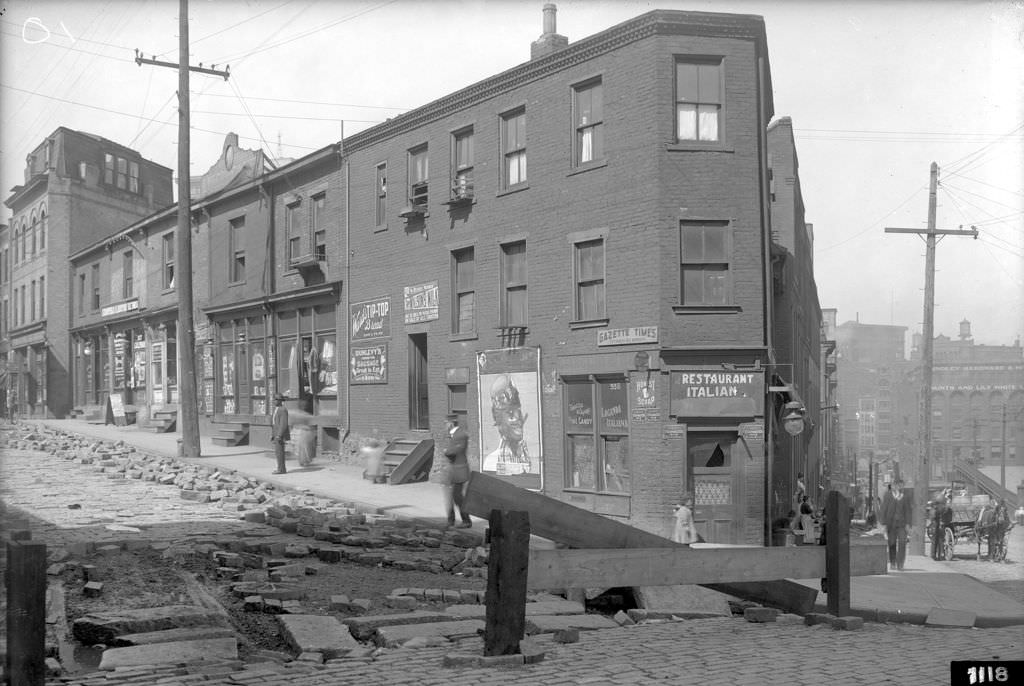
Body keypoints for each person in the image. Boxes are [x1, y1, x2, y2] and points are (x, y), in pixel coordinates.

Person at [443, 413, 473, 528]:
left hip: (459, 471)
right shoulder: (451, 434)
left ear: (451, 423)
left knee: (457, 497)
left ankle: (466, 520)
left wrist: (447, 450)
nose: (445, 426)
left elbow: (452, 451)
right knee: (449, 498)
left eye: (446, 423)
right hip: (451, 472)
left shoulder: (460, 435)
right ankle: (451, 521)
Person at [879, 478, 913, 570]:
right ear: (893, 486)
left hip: (902, 524)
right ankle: (893, 562)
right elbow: (883, 509)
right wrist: (883, 523)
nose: (899, 487)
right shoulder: (888, 495)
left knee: (902, 542)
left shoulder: (906, 496)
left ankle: (900, 563)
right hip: (891, 524)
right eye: (897, 485)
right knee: (892, 543)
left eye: (901, 485)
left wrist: (908, 524)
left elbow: (908, 511)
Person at [271, 394, 290, 475]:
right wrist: (273, 434)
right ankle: (280, 468)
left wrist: (279, 435)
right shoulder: (276, 409)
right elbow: (274, 423)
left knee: (280, 452)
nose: (274, 401)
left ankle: (281, 469)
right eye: (274, 399)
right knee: (277, 452)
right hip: (276, 433)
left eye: (276, 400)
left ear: (280, 401)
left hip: (280, 435)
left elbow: (283, 424)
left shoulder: (282, 410)